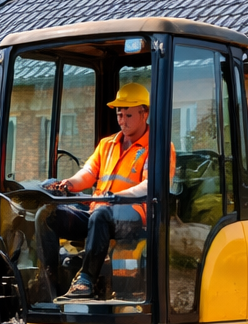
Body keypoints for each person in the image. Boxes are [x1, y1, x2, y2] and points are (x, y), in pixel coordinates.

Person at [36, 82, 172, 301]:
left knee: (100, 215)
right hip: (99, 211)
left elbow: (151, 186)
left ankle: (85, 281)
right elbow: (88, 173)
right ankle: (49, 281)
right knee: (48, 215)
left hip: (133, 214)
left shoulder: (157, 147)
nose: (122, 121)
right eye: (120, 115)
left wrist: (118, 197)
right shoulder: (107, 144)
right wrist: (68, 184)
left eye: (128, 115)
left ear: (144, 113)